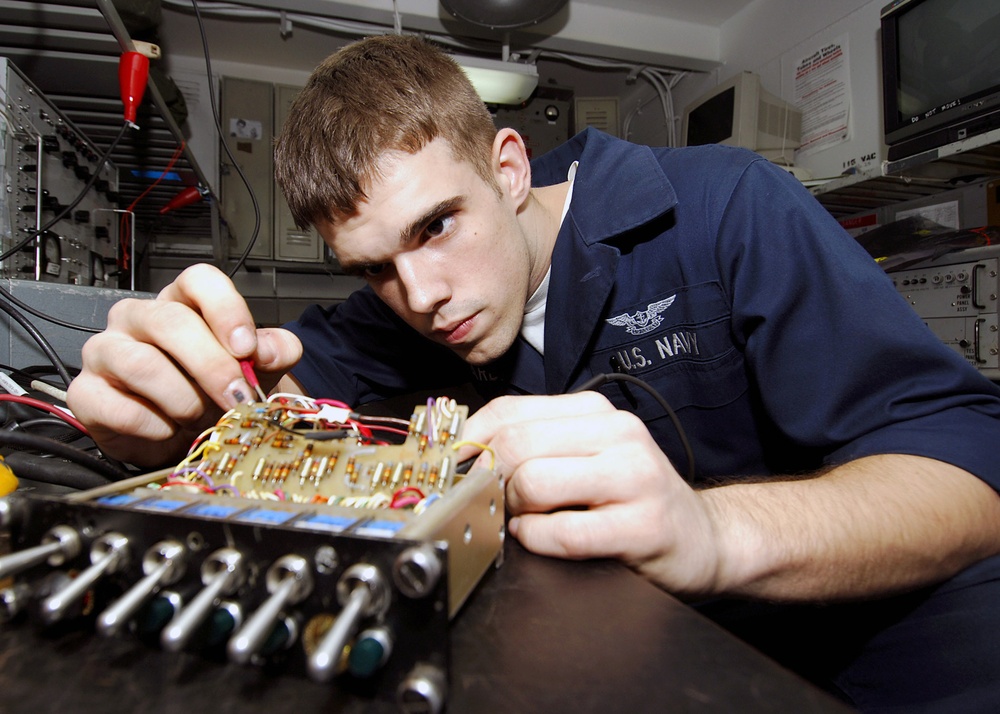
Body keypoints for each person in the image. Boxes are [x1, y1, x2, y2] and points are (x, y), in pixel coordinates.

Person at [67, 34, 1000, 711]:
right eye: (374, 267)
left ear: (508, 168)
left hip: (899, 653)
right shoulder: (396, 307)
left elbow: (972, 474)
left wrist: (714, 531)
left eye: (437, 225)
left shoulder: (726, 207)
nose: (422, 295)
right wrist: (172, 405)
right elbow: (278, 409)